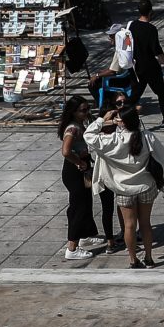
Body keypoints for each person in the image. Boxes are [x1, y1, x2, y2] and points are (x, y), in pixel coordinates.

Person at [85, 103, 164, 268]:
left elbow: (89, 135)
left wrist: (101, 119)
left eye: (117, 119)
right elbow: (162, 159)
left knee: (129, 225)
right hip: (145, 186)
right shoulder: (147, 137)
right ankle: (149, 258)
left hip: (123, 189)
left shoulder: (113, 140)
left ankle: (133, 259)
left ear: (123, 123)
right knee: (145, 224)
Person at [56, 97, 99, 260]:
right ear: (73, 112)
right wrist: (79, 162)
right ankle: (72, 248)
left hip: (83, 168)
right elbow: (66, 151)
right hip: (74, 171)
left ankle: (85, 235)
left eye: (88, 108)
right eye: (83, 110)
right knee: (78, 207)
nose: (86, 112)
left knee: (86, 202)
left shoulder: (82, 124)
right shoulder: (73, 128)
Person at [127, 1, 164, 123]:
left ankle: (124, 116)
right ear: (150, 12)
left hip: (136, 65)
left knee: (135, 94)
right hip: (150, 66)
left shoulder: (132, 26)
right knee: (162, 93)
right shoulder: (151, 29)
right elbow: (157, 51)